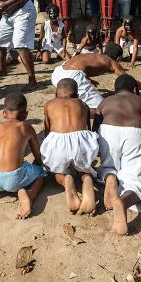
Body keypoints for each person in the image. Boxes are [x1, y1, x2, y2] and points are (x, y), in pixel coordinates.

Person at [93, 74, 141, 235]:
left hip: (108, 131)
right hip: (135, 131)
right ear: (135, 89)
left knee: (109, 163)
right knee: (135, 178)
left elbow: (94, 131)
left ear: (115, 91)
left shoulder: (104, 102)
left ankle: (109, 175)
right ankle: (123, 202)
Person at [41, 79, 98, 214]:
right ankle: (87, 178)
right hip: (82, 141)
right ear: (77, 95)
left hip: (58, 141)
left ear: (56, 94)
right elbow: (87, 130)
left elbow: (47, 130)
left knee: (56, 171)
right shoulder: (82, 105)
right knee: (83, 168)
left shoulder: (49, 105)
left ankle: (65, 180)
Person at [51, 44, 141, 115]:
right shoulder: (110, 61)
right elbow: (126, 79)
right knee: (102, 107)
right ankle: (75, 112)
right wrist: (140, 84)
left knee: (79, 95)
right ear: (118, 58)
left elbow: (80, 67)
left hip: (58, 72)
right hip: (72, 76)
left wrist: (89, 80)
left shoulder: (96, 57)